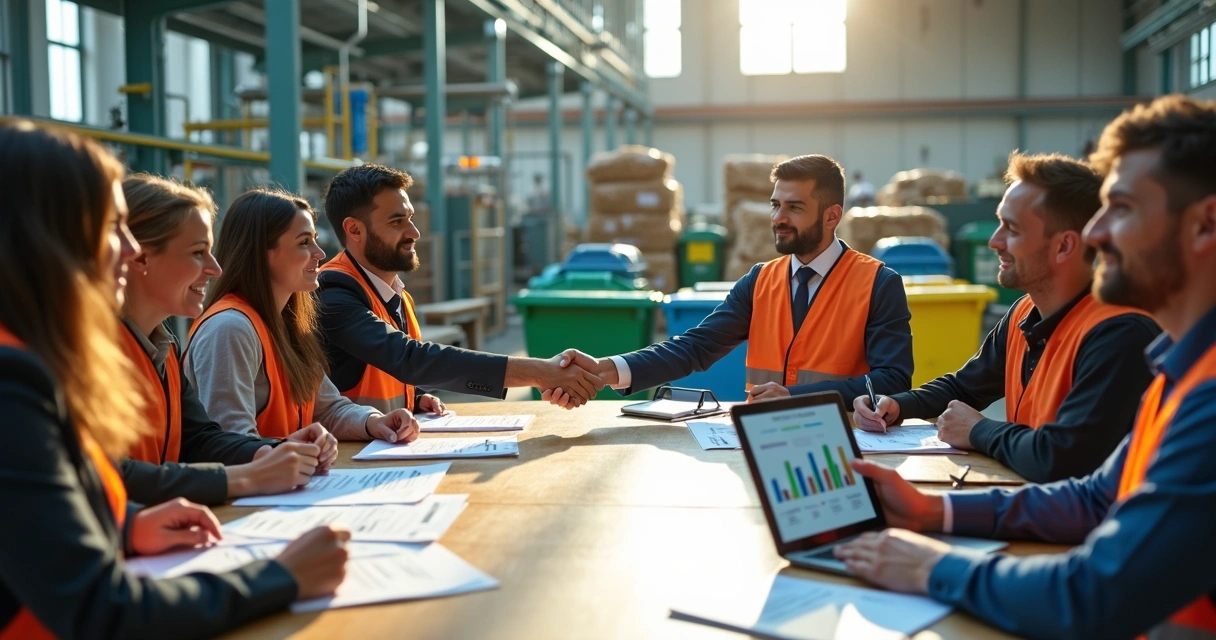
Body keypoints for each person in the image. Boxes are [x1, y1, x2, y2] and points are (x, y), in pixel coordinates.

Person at [833, 95, 1216, 639]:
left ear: (1206, 225)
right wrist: (931, 513)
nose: (1098, 234)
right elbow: (1095, 497)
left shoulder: (1204, 394)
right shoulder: (1185, 372)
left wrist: (931, 566)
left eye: (1123, 208)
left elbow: (1094, 594)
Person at [0, 119, 349, 638]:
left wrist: (123, 527)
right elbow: (102, 610)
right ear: (47, 235)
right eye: (110, 227)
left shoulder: (52, 355)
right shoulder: (13, 379)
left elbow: (31, 517)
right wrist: (279, 577)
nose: (126, 248)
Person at [853, 152, 1160, 482]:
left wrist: (979, 431)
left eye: (1011, 229)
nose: (994, 241)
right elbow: (965, 387)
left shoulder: (1120, 334)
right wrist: (897, 405)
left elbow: (1062, 457)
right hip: (1035, 504)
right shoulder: (1024, 312)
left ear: (1064, 246)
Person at [550, 154, 913, 404]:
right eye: (775, 204)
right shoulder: (760, 281)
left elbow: (893, 380)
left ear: (832, 216)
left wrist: (794, 397)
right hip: (764, 440)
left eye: (794, 207)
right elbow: (694, 347)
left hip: (846, 442)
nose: (778, 218)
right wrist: (607, 369)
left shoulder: (878, 283)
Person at [118, 173, 339, 506]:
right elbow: (108, 474)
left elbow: (200, 439)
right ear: (139, 257)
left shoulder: (163, 347)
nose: (215, 268)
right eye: (197, 252)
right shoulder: (86, 354)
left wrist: (276, 451)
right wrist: (248, 475)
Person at [314, 164, 602, 413]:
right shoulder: (332, 293)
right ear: (354, 230)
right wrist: (540, 373)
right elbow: (409, 359)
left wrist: (414, 398)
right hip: (344, 465)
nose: (414, 232)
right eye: (397, 222)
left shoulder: (396, 295)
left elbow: (382, 374)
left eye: (410, 218)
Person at [183, 189, 422, 443]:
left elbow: (329, 409)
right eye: (304, 242)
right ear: (260, 253)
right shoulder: (229, 329)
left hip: (286, 478)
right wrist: (291, 453)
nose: (319, 253)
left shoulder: (287, 322)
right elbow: (231, 440)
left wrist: (373, 421)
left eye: (315, 239)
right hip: (267, 479)